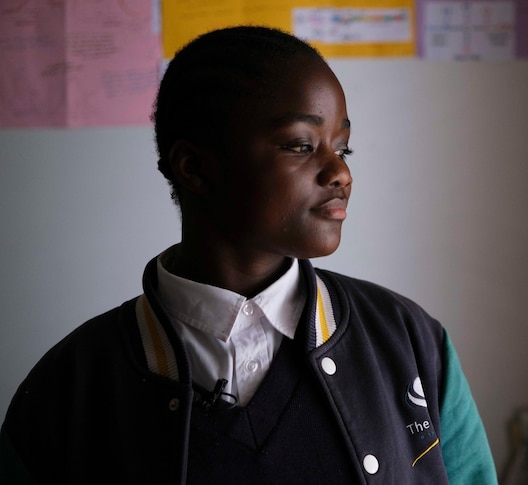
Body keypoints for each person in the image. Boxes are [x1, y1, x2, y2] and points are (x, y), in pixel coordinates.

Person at [0, 26, 497, 484]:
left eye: (343, 148)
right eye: (302, 146)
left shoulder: (408, 342)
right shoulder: (70, 386)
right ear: (194, 167)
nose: (339, 173)